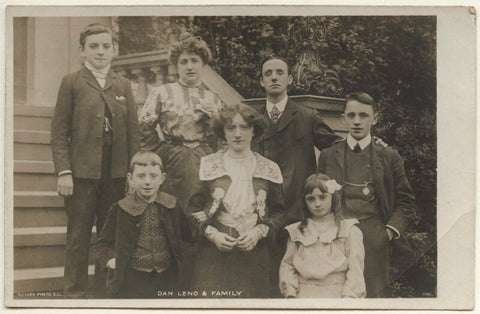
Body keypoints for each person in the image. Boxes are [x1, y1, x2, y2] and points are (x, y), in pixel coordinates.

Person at [50, 23, 139, 298]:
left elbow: (133, 133)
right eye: (93, 46)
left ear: (113, 50)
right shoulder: (72, 82)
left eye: (106, 46)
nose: (100, 52)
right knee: (77, 239)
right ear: (82, 51)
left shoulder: (123, 85)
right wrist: (64, 171)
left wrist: (132, 174)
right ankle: (74, 295)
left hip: (114, 176)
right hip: (81, 176)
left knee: (108, 239)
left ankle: (105, 295)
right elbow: (59, 133)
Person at [251, 56, 342, 296]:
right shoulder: (252, 120)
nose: (274, 77)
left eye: (279, 72)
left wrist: (365, 145)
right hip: (261, 213)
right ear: (261, 81)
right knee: (264, 279)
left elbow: (336, 149)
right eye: (268, 73)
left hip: (298, 211)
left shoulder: (307, 116)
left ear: (289, 79)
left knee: (297, 278)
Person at [317, 92, 416, 298]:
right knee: (335, 295)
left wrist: (387, 233)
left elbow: (406, 202)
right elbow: (321, 196)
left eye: (363, 115)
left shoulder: (389, 156)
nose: (356, 121)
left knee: (374, 297)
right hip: (337, 236)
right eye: (351, 115)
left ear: (374, 118)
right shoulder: (328, 155)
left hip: (374, 237)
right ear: (343, 118)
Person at [188, 103, 285, 298]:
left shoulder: (269, 168)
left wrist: (258, 232)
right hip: (214, 255)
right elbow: (192, 210)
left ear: (254, 131)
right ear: (223, 132)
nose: (238, 134)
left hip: (254, 255)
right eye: (231, 128)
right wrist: (213, 234)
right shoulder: (208, 165)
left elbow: (280, 213)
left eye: (244, 127)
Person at [138, 35, 224, 231]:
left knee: (200, 212)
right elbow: (144, 128)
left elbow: (222, 137)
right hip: (172, 157)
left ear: (203, 65)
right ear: (176, 66)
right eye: (183, 62)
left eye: (195, 61)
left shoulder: (214, 98)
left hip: (204, 159)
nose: (189, 66)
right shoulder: (162, 92)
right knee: (170, 211)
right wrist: (161, 152)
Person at [95, 151, 185, 298]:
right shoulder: (121, 208)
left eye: (153, 176)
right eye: (141, 176)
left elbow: (188, 237)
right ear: (131, 179)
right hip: (133, 280)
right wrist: (111, 261)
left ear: (162, 178)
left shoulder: (172, 205)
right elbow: (102, 244)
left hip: (167, 278)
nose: (147, 182)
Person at [279, 173, 366, 298]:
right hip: (303, 295)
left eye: (322, 197)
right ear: (305, 201)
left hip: (337, 295)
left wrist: (349, 298)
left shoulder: (348, 230)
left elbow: (356, 269)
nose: (317, 204)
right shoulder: (298, 230)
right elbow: (287, 265)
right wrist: (290, 293)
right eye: (311, 199)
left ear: (333, 197)